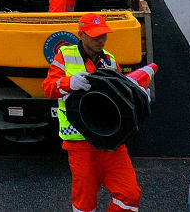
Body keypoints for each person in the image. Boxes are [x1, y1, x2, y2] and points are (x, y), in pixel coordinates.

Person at [43, 13, 140, 212]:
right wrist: (70, 82)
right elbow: (49, 87)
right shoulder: (66, 55)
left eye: (103, 35)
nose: (100, 40)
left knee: (130, 195)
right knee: (84, 204)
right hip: (80, 143)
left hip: (112, 141)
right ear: (81, 35)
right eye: (95, 35)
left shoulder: (110, 59)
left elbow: (122, 93)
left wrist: (137, 94)